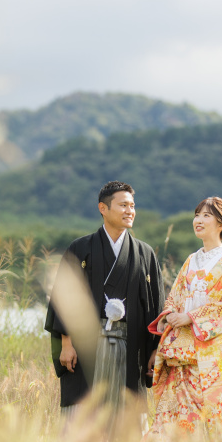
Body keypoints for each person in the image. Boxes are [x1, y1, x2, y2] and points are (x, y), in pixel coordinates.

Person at [146, 196, 222, 442]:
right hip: (184, 351)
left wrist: (192, 317)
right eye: (197, 215)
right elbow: (175, 297)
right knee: (175, 415)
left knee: (215, 415)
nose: (198, 220)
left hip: (212, 353)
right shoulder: (191, 260)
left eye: (206, 215)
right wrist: (172, 315)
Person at [44, 181, 164, 422]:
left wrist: (155, 349)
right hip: (86, 344)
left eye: (132, 206)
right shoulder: (81, 248)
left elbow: (156, 306)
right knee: (83, 409)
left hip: (130, 345)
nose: (130, 211)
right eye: (123, 205)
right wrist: (66, 343)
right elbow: (64, 299)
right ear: (103, 208)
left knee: (127, 414)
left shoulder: (144, 253)